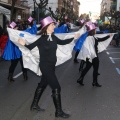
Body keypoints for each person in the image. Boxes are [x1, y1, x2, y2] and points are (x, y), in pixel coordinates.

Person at [18, 16, 80, 118]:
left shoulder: (54, 37)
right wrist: (23, 43)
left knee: (43, 84)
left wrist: (74, 37)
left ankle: (34, 104)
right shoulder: (41, 39)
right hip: (45, 66)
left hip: (51, 66)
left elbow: (63, 42)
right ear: (47, 26)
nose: (54, 26)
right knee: (56, 87)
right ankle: (58, 112)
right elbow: (30, 47)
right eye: (52, 25)